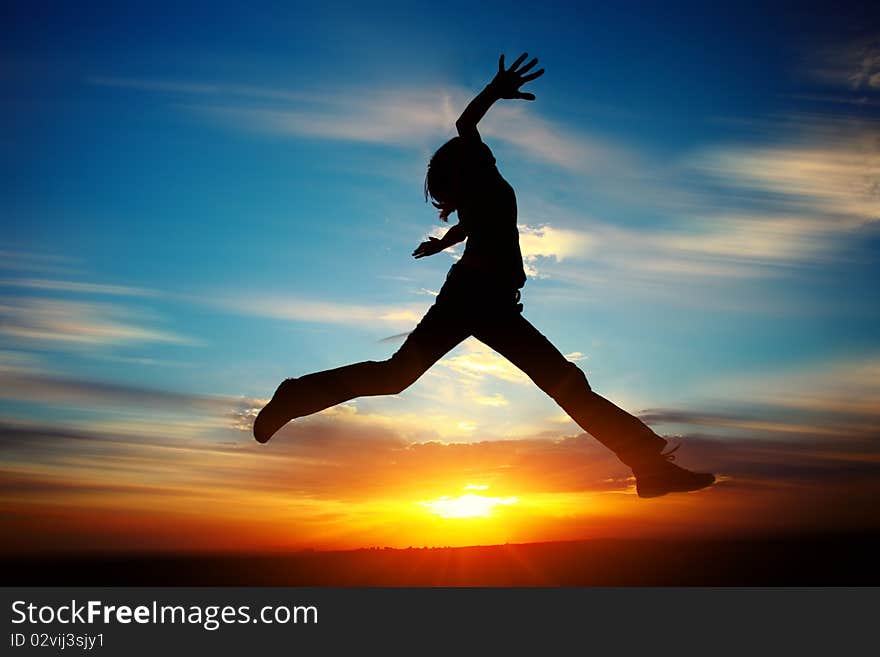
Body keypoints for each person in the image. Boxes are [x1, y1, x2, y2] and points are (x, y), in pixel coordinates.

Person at [254, 53, 714, 498]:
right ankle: (296, 394)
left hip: (488, 300)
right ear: (469, 166)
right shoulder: (484, 178)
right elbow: (465, 125)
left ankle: (650, 469)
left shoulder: (485, 194)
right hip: (474, 296)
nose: (487, 154)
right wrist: (493, 92)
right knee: (412, 377)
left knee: (549, 383)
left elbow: (472, 225)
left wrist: (442, 243)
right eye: (478, 154)